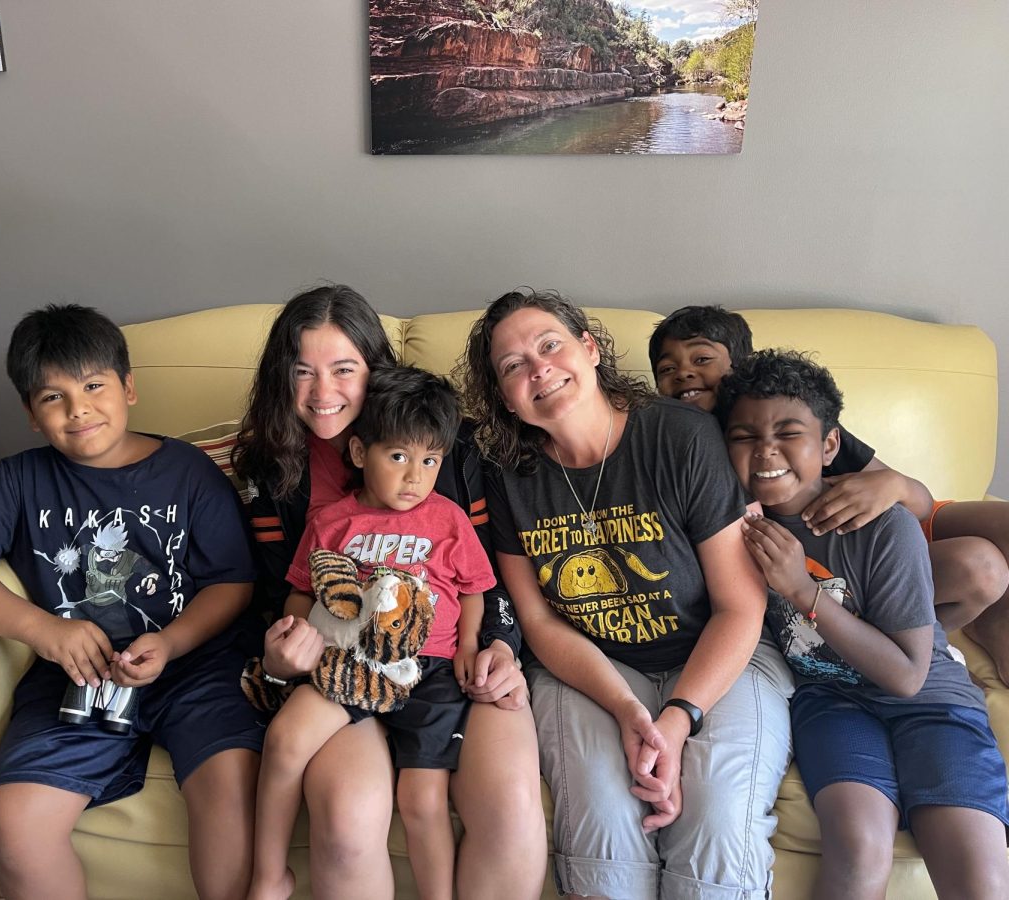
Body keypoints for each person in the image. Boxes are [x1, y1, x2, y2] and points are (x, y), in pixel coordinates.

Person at [0, 303, 266, 900]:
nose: (78, 409)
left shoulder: (188, 471)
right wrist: (43, 631)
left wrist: (173, 641)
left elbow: (233, 582)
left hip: (195, 666)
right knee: (15, 818)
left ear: (128, 388)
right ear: (30, 414)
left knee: (232, 791)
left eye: (93, 385)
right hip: (73, 677)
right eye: (52, 397)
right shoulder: (20, 480)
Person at [457, 289, 793, 899]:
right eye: (512, 366)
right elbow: (537, 619)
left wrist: (677, 717)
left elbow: (740, 605)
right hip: (589, 667)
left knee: (717, 819)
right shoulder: (507, 471)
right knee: (606, 824)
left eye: (550, 345)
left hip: (723, 658)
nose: (538, 370)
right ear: (503, 395)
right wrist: (627, 710)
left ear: (589, 349)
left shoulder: (681, 438)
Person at [233, 284, 546, 900]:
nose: (323, 393)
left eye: (344, 369)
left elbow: (492, 572)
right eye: (303, 372)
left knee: (508, 804)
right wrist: (278, 659)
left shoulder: (449, 448)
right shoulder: (269, 473)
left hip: (443, 656)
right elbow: (280, 591)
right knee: (349, 825)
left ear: (375, 370)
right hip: (341, 663)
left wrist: (498, 645)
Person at [716, 349, 1009, 900]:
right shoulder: (731, 528)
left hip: (932, 702)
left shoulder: (882, 525)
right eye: (744, 436)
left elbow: (906, 677)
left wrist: (801, 591)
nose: (766, 451)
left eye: (788, 432)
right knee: (859, 853)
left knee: (978, 874)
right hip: (832, 702)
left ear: (829, 445)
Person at [649, 304, 1009, 677]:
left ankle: (983, 622)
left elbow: (921, 503)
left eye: (702, 358)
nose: (685, 373)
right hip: (833, 571)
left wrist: (892, 485)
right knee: (981, 567)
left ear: (743, 366)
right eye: (667, 369)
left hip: (879, 533)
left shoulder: (795, 410)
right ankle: (892, 644)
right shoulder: (679, 444)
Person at [250, 365, 497, 900]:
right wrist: (293, 634)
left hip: (428, 669)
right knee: (285, 739)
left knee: (422, 801)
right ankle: (270, 876)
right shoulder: (332, 522)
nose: (415, 477)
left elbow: (476, 589)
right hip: (349, 663)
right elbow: (301, 589)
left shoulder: (449, 518)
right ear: (360, 453)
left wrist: (471, 646)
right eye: (399, 457)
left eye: (430, 460)